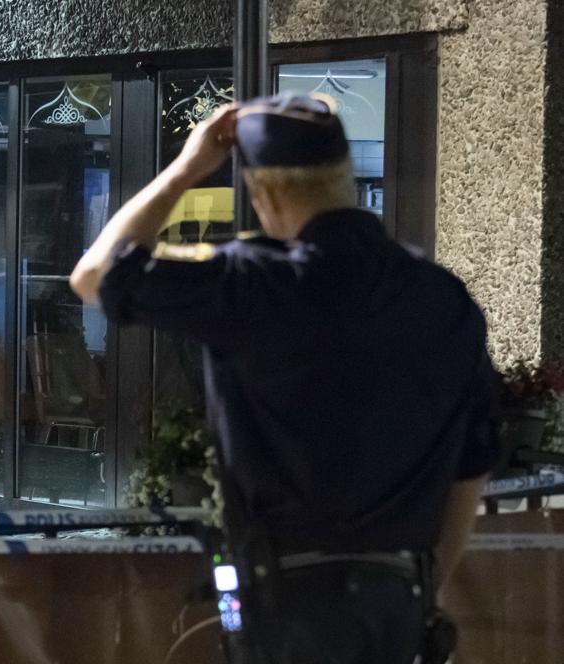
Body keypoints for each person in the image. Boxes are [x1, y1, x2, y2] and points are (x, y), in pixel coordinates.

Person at [69, 94, 498, 663]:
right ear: (344, 177)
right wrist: (423, 587)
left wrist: (187, 168)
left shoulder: (249, 284)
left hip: (284, 603)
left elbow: (95, 275)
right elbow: (473, 466)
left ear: (263, 194)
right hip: (398, 603)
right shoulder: (440, 297)